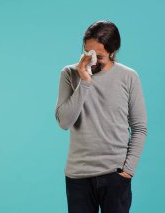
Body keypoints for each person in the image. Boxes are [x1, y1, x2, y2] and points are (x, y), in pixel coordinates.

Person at [55, 20, 148, 213]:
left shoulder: (128, 77)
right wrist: (85, 82)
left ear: (112, 52)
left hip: (115, 175)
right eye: (87, 53)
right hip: (78, 176)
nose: (92, 61)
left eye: (99, 56)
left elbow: (139, 127)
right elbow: (64, 122)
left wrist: (128, 170)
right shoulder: (69, 74)